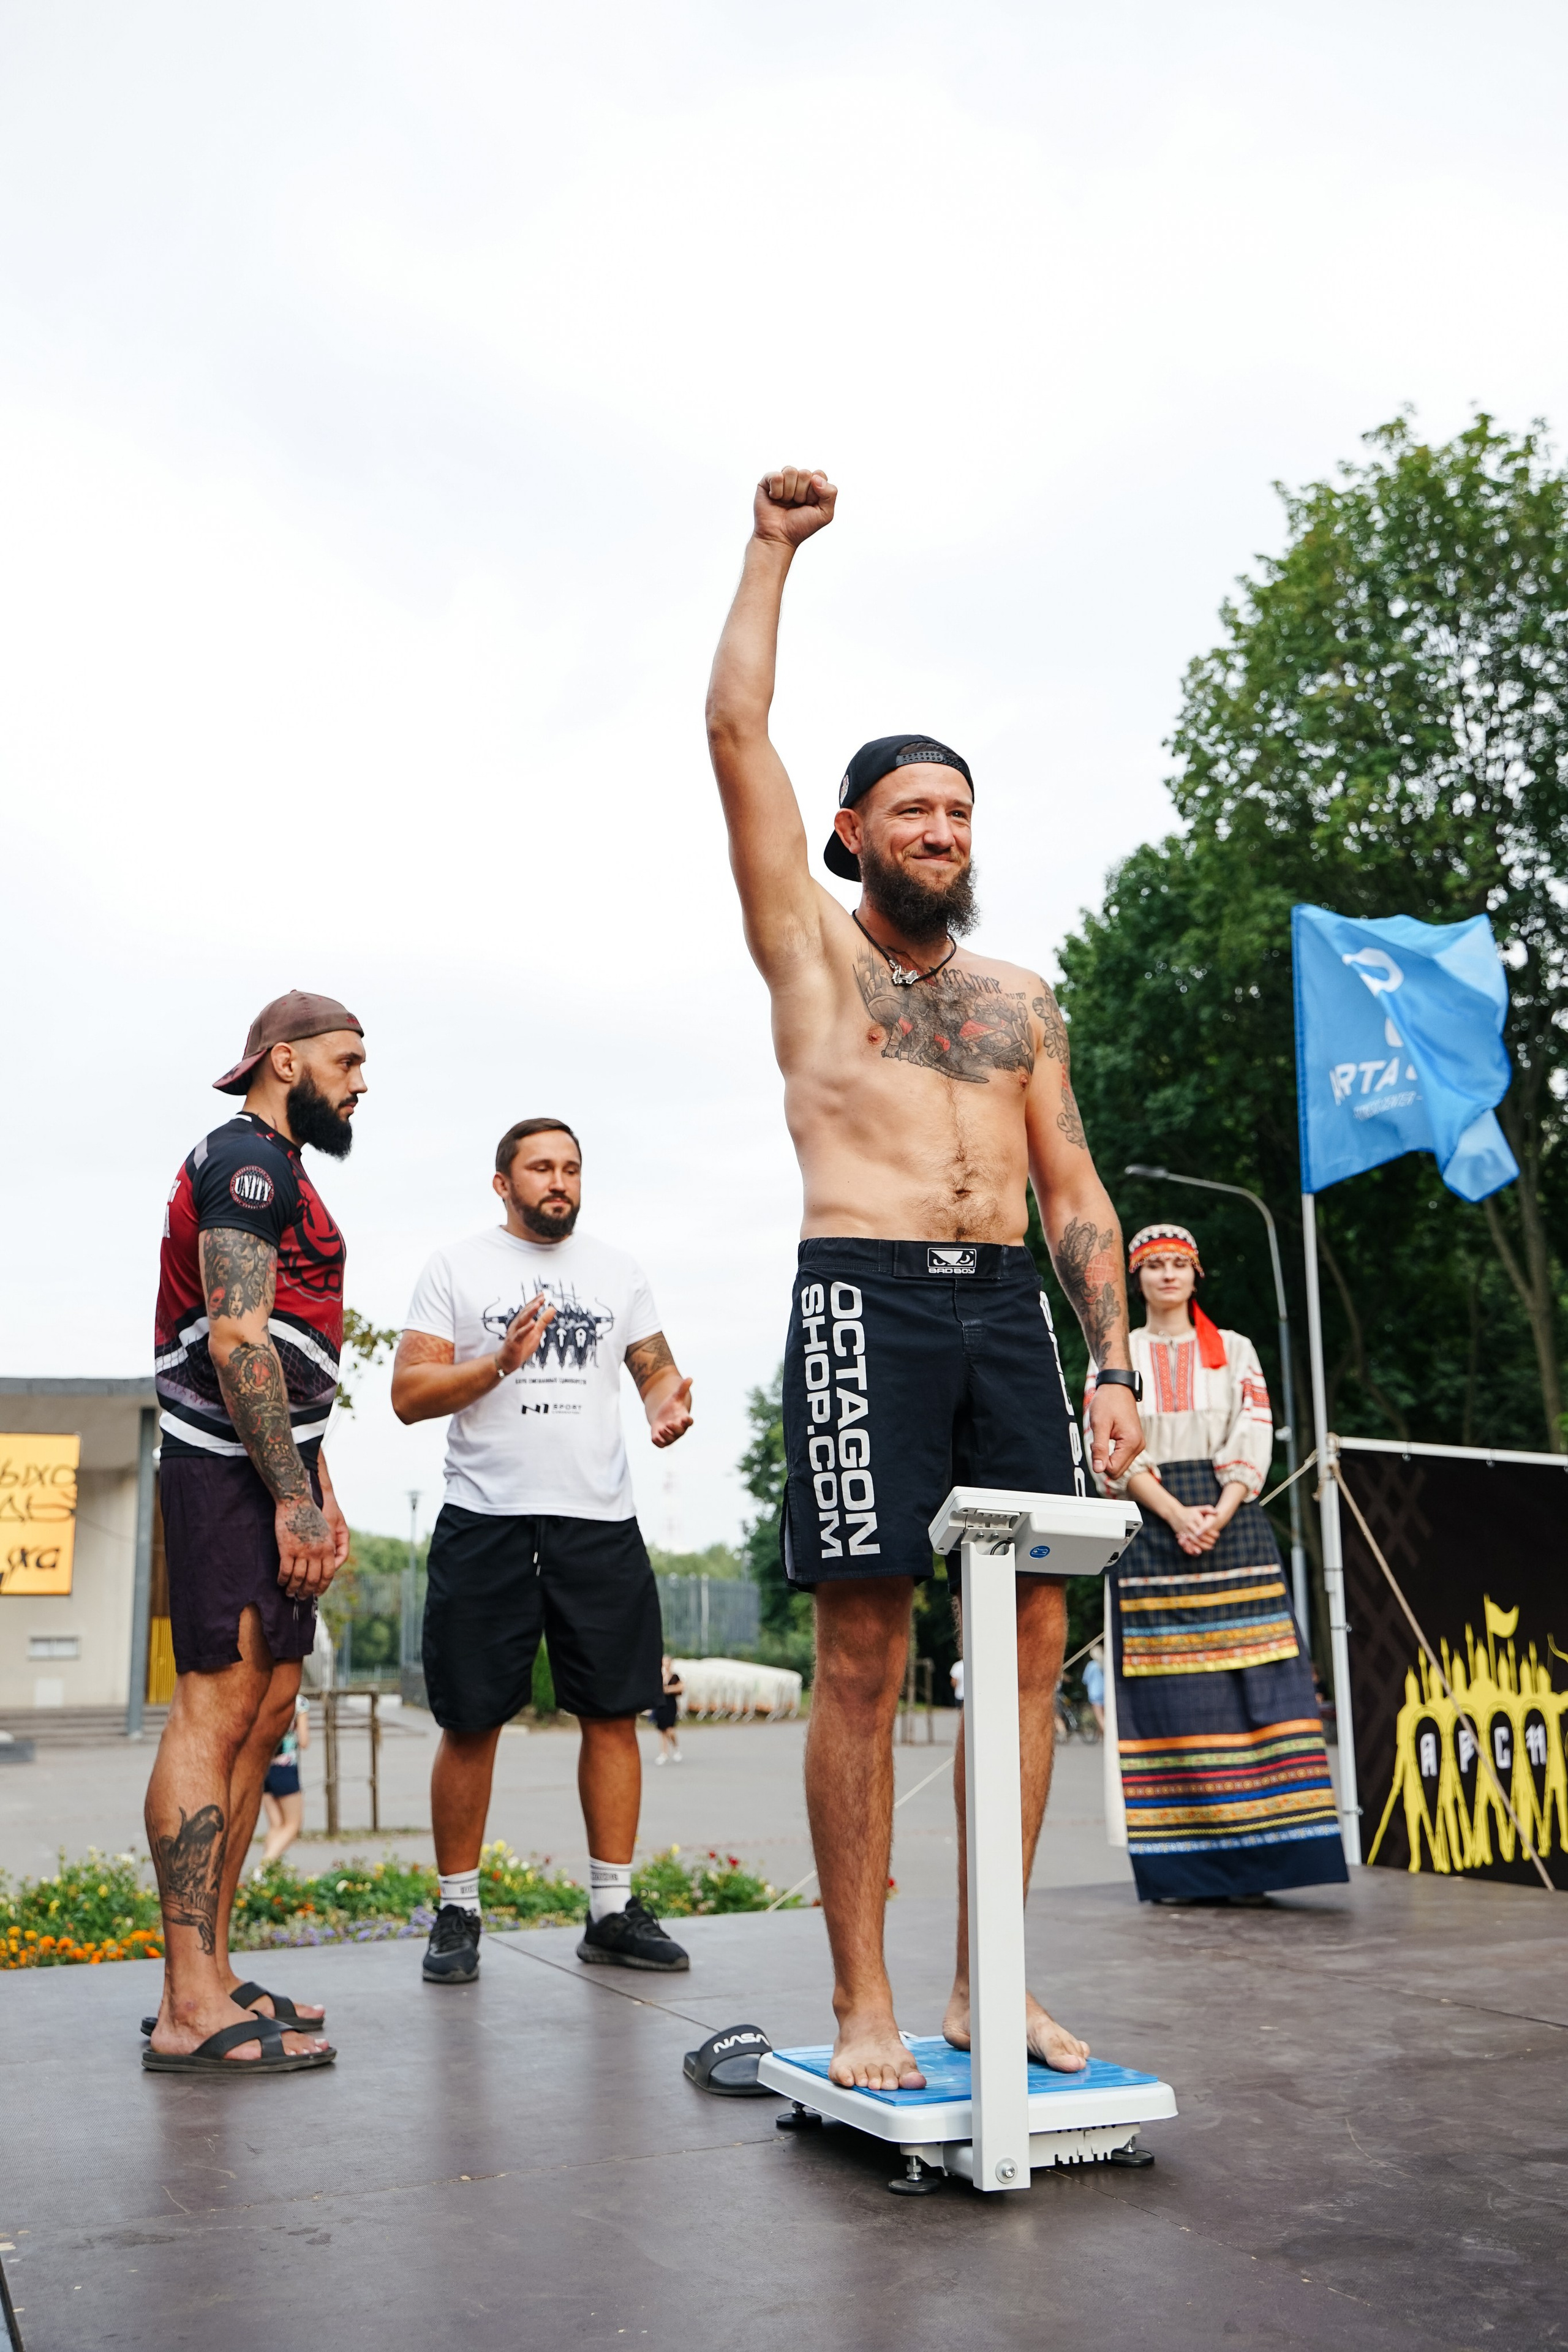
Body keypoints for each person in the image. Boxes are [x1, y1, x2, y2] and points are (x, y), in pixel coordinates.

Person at [705, 467, 1145, 2092]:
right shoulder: (810, 951)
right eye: (914, 813)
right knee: (870, 1652)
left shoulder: (1022, 1002)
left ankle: (989, 1983)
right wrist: (771, 554)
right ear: (852, 831)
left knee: (1032, 1644)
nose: (944, 835)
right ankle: (866, 2002)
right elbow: (735, 737)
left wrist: (1110, 1363)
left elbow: (1077, 1190)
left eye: (960, 817)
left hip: (1006, 1315)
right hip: (864, 1298)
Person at [391, 1118, 697, 1985]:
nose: (558, 1182)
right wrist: (496, 1364)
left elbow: (655, 1370)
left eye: (570, 1168)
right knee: (470, 1719)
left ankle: (611, 1910)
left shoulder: (616, 1270)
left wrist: (666, 1406)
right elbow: (409, 1394)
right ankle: (457, 1911)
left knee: (613, 1712)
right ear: (503, 1183)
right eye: (540, 1168)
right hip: (485, 1517)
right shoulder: (457, 1267)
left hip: (596, 1520)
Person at [143, 990, 365, 2073]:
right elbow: (236, 1340)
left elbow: (289, 1346)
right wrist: (289, 1494)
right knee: (217, 1709)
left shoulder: (285, 1169)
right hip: (223, 1471)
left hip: (270, 1468)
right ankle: (187, 2004)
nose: (361, 1081)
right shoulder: (248, 1161)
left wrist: (321, 1481)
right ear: (285, 1061)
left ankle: (217, 1972)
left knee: (268, 1709)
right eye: (347, 1060)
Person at [1086, 1223, 1347, 1904]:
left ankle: (1266, 1862)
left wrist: (1221, 1508)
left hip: (1230, 1518)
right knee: (1165, 1690)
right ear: (1136, 1278)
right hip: (1149, 1519)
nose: (1168, 1274)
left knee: (1256, 1680)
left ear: (1196, 1274)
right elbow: (1109, 1443)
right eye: (1154, 1265)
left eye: (1179, 1264)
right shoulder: (1115, 1355)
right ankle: (1185, 1868)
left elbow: (1253, 1427)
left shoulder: (1233, 1349)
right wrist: (1173, 1513)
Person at [258, 1693, 311, 1866]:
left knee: (276, 1825)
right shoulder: (298, 1702)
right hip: (285, 1768)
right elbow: (304, 1741)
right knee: (293, 1825)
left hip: (263, 1768)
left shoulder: (264, 1697)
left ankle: (269, 1876)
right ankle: (264, 1868)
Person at [651, 1656, 684, 1764]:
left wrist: (668, 1690)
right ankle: (664, 1753)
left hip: (671, 1704)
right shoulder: (659, 1676)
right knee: (662, 1730)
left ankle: (676, 1747)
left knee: (670, 1729)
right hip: (660, 1704)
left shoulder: (675, 1677)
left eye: (668, 1662)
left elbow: (681, 1687)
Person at [1082, 1643, 1106, 1736]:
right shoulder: (1105, 1664)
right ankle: (1101, 1734)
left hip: (1095, 1693)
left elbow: (1085, 1680)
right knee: (1105, 1715)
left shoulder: (1091, 1666)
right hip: (1105, 1692)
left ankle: (1108, 1734)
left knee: (1100, 1717)